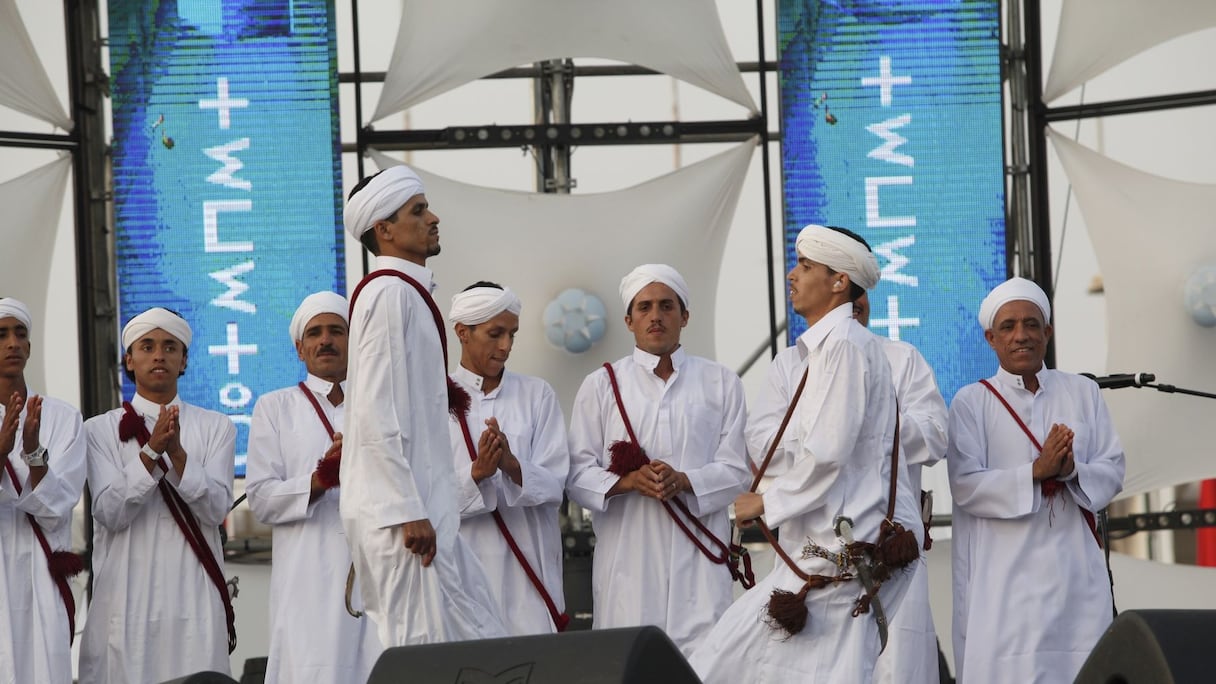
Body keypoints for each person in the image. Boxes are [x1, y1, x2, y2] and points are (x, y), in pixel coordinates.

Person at [691, 225, 922, 683]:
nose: (792, 276)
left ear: (839, 282)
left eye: (805, 266)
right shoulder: (831, 348)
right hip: (827, 545)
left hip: (844, 549)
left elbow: (829, 451)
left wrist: (767, 502)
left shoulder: (844, 348)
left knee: (724, 662)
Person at [339, 165, 505, 647]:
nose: (433, 218)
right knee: (423, 656)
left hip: (428, 514)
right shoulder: (389, 294)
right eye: (418, 210)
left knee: (472, 647)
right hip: (406, 522)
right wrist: (406, 509)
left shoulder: (405, 292)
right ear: (384, 230)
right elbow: (374, 411)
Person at [566, 263, 750, 656]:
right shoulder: (601, 386)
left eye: (666, 306)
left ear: (684, 317)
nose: (656, 316)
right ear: (629, 319)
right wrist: (629, 482)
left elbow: (737, 471)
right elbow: (576, 474)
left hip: (700, 563)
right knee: (631, 662)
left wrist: (685, 480)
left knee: (705, 665)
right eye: (645, 307)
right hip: (628, 564)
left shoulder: (721, 382)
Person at [947, 277, 1124, 683]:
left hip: (1075, 574)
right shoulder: (971, 402)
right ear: (991, 338)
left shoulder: (1082, 391)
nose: (1021, 335)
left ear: (1047, 332)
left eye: (1031, 324)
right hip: (1005, 582)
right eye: (1008, 327)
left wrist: (1071, 470)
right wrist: (1034, 472)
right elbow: (965, 485)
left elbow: (1112, 467)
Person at [80, 307, 236, 684]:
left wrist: (178, 454)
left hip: (194, 600)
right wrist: (150, 452)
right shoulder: (98, 430)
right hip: (125, 600)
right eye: (147, 346)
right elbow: (110, 512)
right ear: (129, 360)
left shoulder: (216, 427)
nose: (158, 355)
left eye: (170, 347)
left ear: (183, 360)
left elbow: (216, 509)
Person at [245, 291, 381, 683]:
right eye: (316, 333)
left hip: (375, 573)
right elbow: (263, 499)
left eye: (336, 331)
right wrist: (321, 480)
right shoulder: (275, 408)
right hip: (306, 579)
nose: (326, 341)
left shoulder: (376, 403)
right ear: (300, 349)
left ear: (352, 342)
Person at [447, 282, 570, 635]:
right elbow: (424, 496)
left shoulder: (537, 394)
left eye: (512, 335)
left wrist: (511, 466)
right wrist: (476, 474)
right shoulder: (432, 398)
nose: (506, 346)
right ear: (462, 332)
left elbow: (556, 483)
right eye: (495, 333)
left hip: (530, 581)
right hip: (463, 579)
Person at [855, 292, 949, 684]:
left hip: (894, 547)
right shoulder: (792, 366)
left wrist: (875, 422)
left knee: (899, 666)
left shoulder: (902, 358)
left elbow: (935, 436)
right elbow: (764, 448)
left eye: (857, 289)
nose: (851, 300)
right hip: (816, 552)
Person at [0, 298, 86, 684]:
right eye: (1, 335)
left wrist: (33, 451)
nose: (12, 343)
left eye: (20, 334)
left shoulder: (63, 417)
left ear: (30, 348)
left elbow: (60, 504)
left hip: (42, 574)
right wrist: (2, 449)